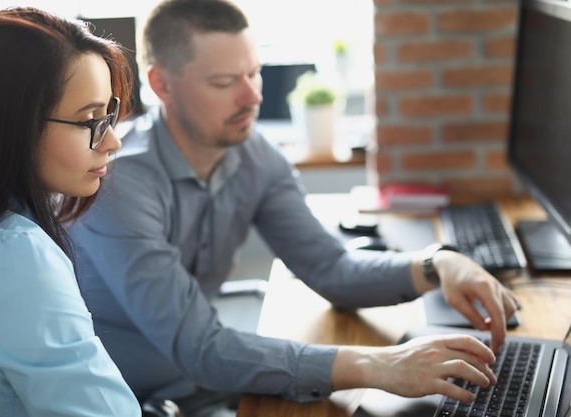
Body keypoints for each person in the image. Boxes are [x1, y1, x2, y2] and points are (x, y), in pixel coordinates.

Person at [68, 0, 519, 415]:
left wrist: (438, 264)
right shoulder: (119, 182)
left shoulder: (256, 155)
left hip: (199, 380)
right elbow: (203, 349)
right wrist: (380, 365)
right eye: (225, 82)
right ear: (161, 84)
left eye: (254, 73)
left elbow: (331, 268)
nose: (253, 96)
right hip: (121, 398)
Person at [0, 7, 142, 417]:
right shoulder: (11, 253)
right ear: (10, 124)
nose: (112, 142)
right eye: (90, 120)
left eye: (109, 113)